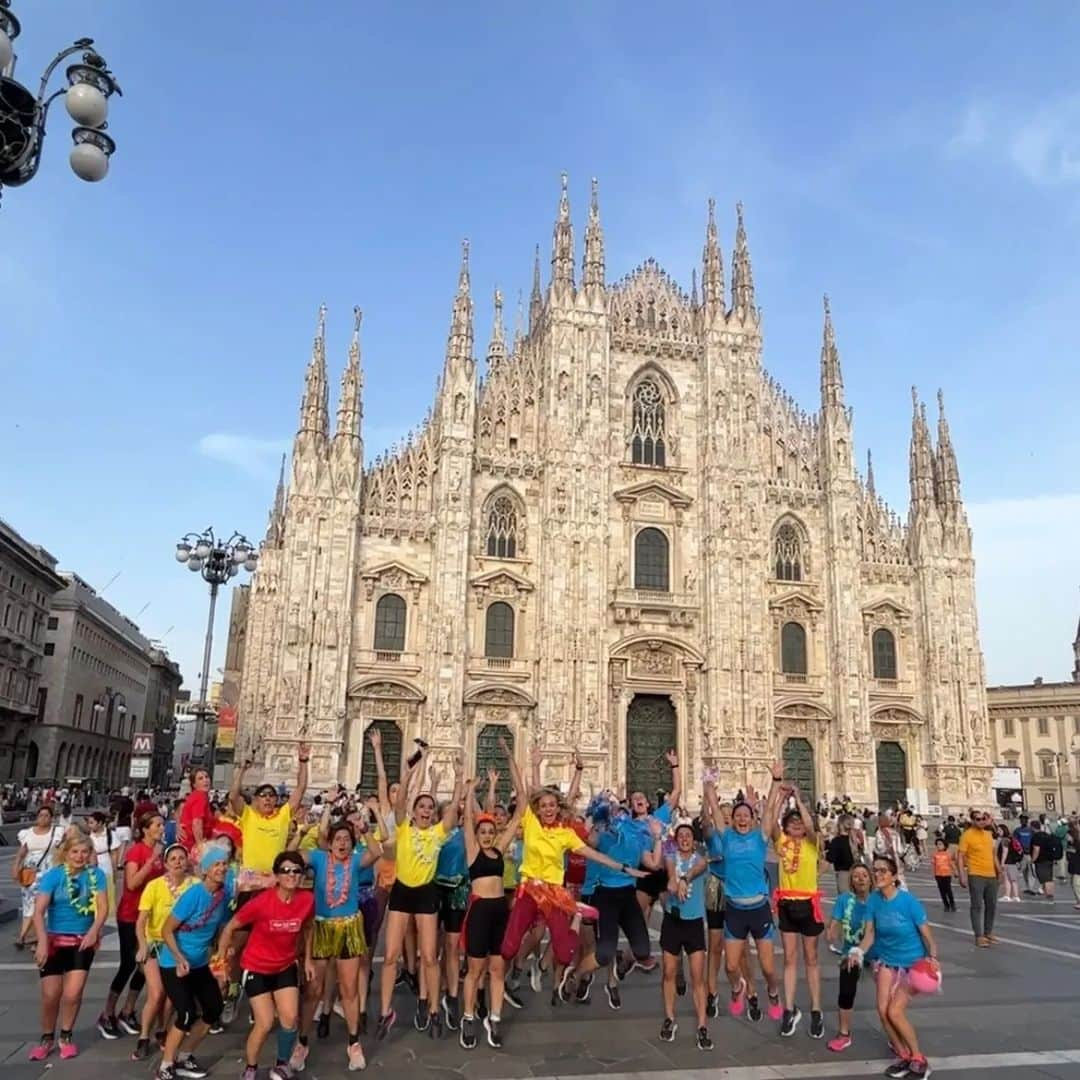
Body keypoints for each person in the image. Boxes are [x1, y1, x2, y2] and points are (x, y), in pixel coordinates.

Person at [497, 747, 650, 1014]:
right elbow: (527, 793)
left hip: (555, 893)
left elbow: (594, 854)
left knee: (566, 952)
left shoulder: (566, 834)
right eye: (543, 805)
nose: (547, 809)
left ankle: (548, 971)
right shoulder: (531, 821)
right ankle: (505, 975)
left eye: (552, 805)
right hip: (530, 888)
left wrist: (626, 869)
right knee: (509, 946)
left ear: (558, 809)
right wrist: (518, 760)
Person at [375, 750, 462, 1041]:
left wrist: (460, 778)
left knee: (428, 957)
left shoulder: (438, 832)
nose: (425, 810)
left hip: (426, 894)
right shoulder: (403, 829)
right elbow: (398, 802)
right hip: (401, 892)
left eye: (429, 806)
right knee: (389, 956)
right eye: (421, 806)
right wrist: (411, 771)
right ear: (413, 811)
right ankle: (385, 1011)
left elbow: (452, 813)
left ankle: (435, 1010)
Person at [218, 851, 316, 1080]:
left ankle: (281, 1064)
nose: (292, 875)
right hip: (257, 967)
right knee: (264, 1022)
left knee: (290, 1018)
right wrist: (221, 964)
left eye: (297, 871)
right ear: (277, 876)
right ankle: (251, 1067)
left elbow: (309, 927)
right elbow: (230, 928)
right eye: (286, 871)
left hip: (285, 965)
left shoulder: (307, 900)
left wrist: (308, 959)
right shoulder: (261, 903)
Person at [296, 816, 381, 1071]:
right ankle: (301, 1044)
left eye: (346, 839)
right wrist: (301, 831)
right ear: (329, 843)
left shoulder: (356, 860)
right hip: (322, 926)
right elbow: (290, 856)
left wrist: (365, 830)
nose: (342, 843)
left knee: (349, 989)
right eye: (338, 840)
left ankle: (354, 1044)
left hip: (349, 927)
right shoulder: (319, 858)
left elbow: (375, 852)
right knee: (313, 990)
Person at [704, 772, 784, 1026]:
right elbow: (716, 811)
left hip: (759, 908)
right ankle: (738, 987)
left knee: (769, 968)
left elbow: (770, 811)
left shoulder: (760, 837)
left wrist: (776, 781)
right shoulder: (726, 837)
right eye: (737, 816)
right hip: (735, 909)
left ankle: (772, 992)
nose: (740, 819)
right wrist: (708, 784)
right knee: (730, 967)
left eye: (745, 815)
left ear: (752, 819)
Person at [848, 855, 938, 1079]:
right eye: (875, 870)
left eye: (882, 871)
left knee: (894, 1011)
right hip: (887, 961)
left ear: (894, 877)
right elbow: (870, 934)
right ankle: (903, 1055)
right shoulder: (873, 901)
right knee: (882, 1010)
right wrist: (857, 951)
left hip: (913, 965)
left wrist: (933, 958)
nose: (877, 874)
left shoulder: (908, 902)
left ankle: (919, 1059)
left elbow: (928, 936)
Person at [459, 755, 524, 1050]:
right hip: (480, 911)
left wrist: (513, 765)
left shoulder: (499, 850)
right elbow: (465, 822)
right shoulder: (473, 852)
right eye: (482, 831)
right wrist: (469, 789)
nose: (486, 835)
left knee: (498, 969)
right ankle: (469, 1016)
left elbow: (521, 809)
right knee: (475, 970)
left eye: (490, 831)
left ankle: (495, 1018)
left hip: (500, 911)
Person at [28, 830, 108, 1061]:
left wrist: (94, 931)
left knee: (73, 994)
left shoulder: (97, 875)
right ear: (66, 853)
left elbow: (102, 907)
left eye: (84, 852)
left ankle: (66, 1035)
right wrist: (42, 941)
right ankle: (46, 1037)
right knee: (51, 994)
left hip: (81, 941)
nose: (80, 856)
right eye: (75, 851)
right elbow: (39, 911)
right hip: (54, 940)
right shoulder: (54, 875)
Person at [157, 843, 233, 1080]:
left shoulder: (224, 894)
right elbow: (166, 930)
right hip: (174, 961)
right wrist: (179, 958)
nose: (221, 868)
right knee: (187, 1013)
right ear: (206, 870)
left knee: (214, 1009)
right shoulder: (193, 895)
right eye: (216, 864)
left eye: (224, 864)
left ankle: (185, 1056)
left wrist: (221, 957)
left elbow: (222, 927)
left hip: (200, 962)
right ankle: (165, 1065)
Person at [101, 812, 166, 1041]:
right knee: (129, 963)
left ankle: (128, 1010)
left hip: (151, 918)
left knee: (143, 966)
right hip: (131, 915)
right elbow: (132, 883)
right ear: (145, 829)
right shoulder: (137, 851)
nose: (161, 827)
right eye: (157, 824)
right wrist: (151, 861)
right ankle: (107, 1012)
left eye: (162, 824)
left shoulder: (161, 851)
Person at [769, 776, 824, 1039]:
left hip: (808, 904)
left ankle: (815, 1009)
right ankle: (789, 1009)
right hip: (787, 904)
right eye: (792, 822)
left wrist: (799, 798)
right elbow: (770, 825)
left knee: (811, 959)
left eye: (799, 822)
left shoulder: (813, 844)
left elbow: (812, 826)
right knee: (790, 959)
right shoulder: (782, 844)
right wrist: (779, 794)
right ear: (787, 827)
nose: (797, 825)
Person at [133, 843, 196, 1061]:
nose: (178, 862)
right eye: (173, 859)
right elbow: (141, 921)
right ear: (166, 864)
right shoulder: (154, 886)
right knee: (156, 992)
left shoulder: (194, 885)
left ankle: (163, 1030)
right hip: (156, 943)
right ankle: (143, 1036)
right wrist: (142, 945)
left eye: (182, 858)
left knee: (171, 996)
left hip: (180, 945)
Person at [658, 821, 713, 1050]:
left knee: (697, 977)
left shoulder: (700, 859)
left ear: (694, 839)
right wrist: (673, 878)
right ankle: (670, 1018)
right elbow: (669, 864)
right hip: (672, 921)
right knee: (669, 972)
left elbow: (699, 867)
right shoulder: (670, 857)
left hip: (693, 923)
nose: (684, 839)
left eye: (688, 835)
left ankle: (702, 1026)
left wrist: (684, 878)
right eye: (680, 835)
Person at [826, 862, 874, 1052]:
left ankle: (895, 1035)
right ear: (851, 881)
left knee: (887, 999)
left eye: (864, 875)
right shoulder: (844, 900)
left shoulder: (877, 900)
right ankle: (844, 1033)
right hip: (851, 952)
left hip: (877, 951)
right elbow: (835, 923)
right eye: (856, 876)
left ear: (871, 879)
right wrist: (831, 932)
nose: (861, 879)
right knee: (846, 991)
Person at [12, 804, 64, 950]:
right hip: (30, 873)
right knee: (29, 904)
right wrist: (16, 866)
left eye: (47, 816)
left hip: (49, 873)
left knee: (42, 906)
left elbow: (63, 849)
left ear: (51, 818)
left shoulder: (57, 833)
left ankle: (34, 938)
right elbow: (22, 852)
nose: (43, 818)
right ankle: (23, 936)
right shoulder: (27, 833)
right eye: (41, 815)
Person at [957, 810, 1001, 947]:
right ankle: (979, 935)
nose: (981, 821)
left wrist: (999, 871)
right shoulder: (967, 835)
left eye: (983, 819)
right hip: (976, 874)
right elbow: (960, 856)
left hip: (991, 874)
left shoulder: (988, 834)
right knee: (977, 906)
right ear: (972, 820)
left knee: (992, 905)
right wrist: (961, 875)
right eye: (978, 819)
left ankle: (988, 932)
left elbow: (993, 855)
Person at [87, 810, 123, 917]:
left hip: (105, 865)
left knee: (105, 892)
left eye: (92, 822)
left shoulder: (110, 835)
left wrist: (115, 869)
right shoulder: (88, 835)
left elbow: (114, 854)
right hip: (90, 865)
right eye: (89, 822)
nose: (90, 825)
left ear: (100, 823)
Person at [179, 769, 216, 853]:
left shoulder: (195, 796)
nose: (205, 780)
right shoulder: (200, 796)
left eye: (206, 777)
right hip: (193, 846)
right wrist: (200, 846)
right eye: (200, 778)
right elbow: (197, 822)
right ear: (194, 785)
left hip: (188, 845)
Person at [826, 815, 858, 896]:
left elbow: (830, 859)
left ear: (839, 825)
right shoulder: (855, 840)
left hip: (843, 874)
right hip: (856, 873)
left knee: (845, 902)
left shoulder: (837, 841)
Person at [1031, 822, 1062, 901]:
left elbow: (1036, 849)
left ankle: (1049, 896)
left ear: (1032, 828)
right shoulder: (1046, 834)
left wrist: (1033, 860)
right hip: (1049, 859)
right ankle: (1050, 894)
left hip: (1041, 860)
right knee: (1049, 878)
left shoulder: (1036, 836)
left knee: (1045, 879)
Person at [997, 823, 1022, 902]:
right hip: (1013, 862)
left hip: (1007, 862)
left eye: (999, 830)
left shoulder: (1004, 840)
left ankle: (1008, 895)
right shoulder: (1011, 838)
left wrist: (1002, 863)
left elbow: (1005, 852)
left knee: (1007, 879)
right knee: (1013, 880)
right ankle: (1015, 896)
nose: (998, 832)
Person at [931, 838, 957, 912]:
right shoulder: (935, 854)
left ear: (945, 845)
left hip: (947, 874)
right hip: (938, 875)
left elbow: (951, 863)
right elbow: (933, 865)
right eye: (937, 844)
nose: (939, 846)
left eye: (940, 844)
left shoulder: (947, 854)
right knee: (942, 891)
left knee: (948, 890)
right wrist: (934, 873)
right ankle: (946, 905)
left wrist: (955, 871)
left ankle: (952, 904)